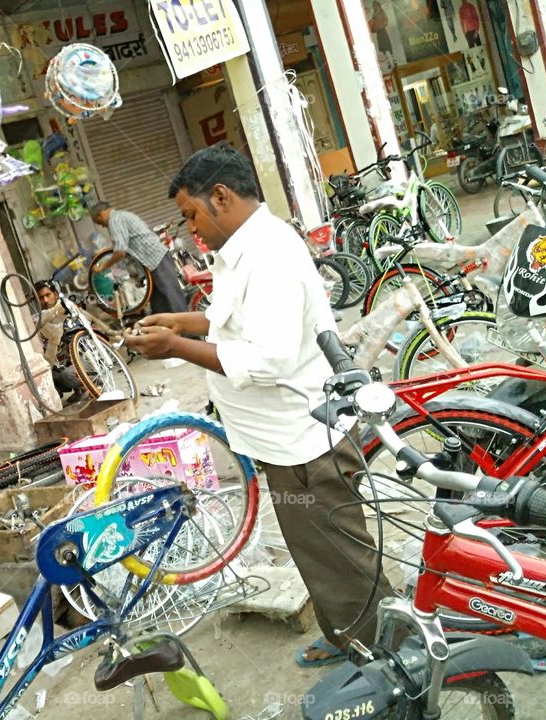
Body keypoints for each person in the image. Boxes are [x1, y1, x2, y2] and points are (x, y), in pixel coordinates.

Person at [124, 142, 394, 667]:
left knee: (338, 549)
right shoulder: (242, 249)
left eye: (191, 214)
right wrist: (183, 323)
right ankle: (349, 631)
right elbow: (235, 320)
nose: (191, 229)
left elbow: (268, 359)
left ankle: (380, 651)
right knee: (318, 548)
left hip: (305, 439)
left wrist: (175, 347)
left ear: (221, 196)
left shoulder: (269, 254)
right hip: (284, 439)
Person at [90, 201, 188, 315]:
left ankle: (187, 325)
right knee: (160, 305)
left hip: (156, 259)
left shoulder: (114, 221)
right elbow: (123, 246)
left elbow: (120, 252)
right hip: (152, 263)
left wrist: (103, 267)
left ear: (100, 214)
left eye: (99, 222)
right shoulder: (121, 216)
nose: (102, 226)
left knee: (173, 301)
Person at [33, 280, 86, 403]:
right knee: (49, 375)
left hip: (86, 357)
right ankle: (79, 389)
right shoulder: (42, 317)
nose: (45, 300)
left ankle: (95, 383)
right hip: (63, 363)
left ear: (55, 294)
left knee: (67, 376)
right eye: (41, 298)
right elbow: (36, 322)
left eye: (48, 295)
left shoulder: (69, 307)